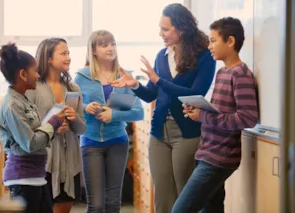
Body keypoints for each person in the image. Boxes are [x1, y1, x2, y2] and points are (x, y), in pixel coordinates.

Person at [110, 3, 216, 212]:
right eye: (160, 28)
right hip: (159, 133)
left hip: (186, 133)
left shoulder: (204, 56)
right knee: (163, 196)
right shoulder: (161, 55)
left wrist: (158, 80)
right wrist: (136, 85)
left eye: (165, 29)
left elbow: (194, 94)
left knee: (184, 197)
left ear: (182, 29)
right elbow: (151, 94)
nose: (161, 34)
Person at [172, 17, 259, 213]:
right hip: (207, 152)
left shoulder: (240, 74)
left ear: (230, 41)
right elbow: (222, 111)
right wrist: (199, 110)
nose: (209, 46)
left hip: (219, 158)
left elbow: (248, 118)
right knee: (211, 210)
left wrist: (204, 116)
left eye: (213, 40)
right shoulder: (222, 72)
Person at [74, 30, 144, 213]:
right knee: (96, 205)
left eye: (113, 44)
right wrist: (85, 107)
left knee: (113, 203)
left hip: (117, 141)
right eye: (104, 45)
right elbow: (71, 107)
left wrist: (113, 115)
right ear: (94, 50)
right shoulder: (82, 77)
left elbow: (138, 112)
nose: (111, 48)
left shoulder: (126, 76)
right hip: (90, 142)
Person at [0, 43, 67, 213]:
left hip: (36, 177)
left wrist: (52, 127)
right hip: (22, 180)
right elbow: (31, 143)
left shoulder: (23, 99)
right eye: (34, 71)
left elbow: (36, 132)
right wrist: (53, 123)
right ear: (22, 74)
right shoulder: (12, 105)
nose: (37, 75)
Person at [26, 38, 86, 213]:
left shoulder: (73, 88)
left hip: (70, 162)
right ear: (49, 58)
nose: (68, 57)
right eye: (63, 53)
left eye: (68, 53)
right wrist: (51, 126)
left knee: (64, 208)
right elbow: (27, 127)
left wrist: (74, 118)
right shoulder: (33, 88)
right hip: (45, 161)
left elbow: (82, 129)